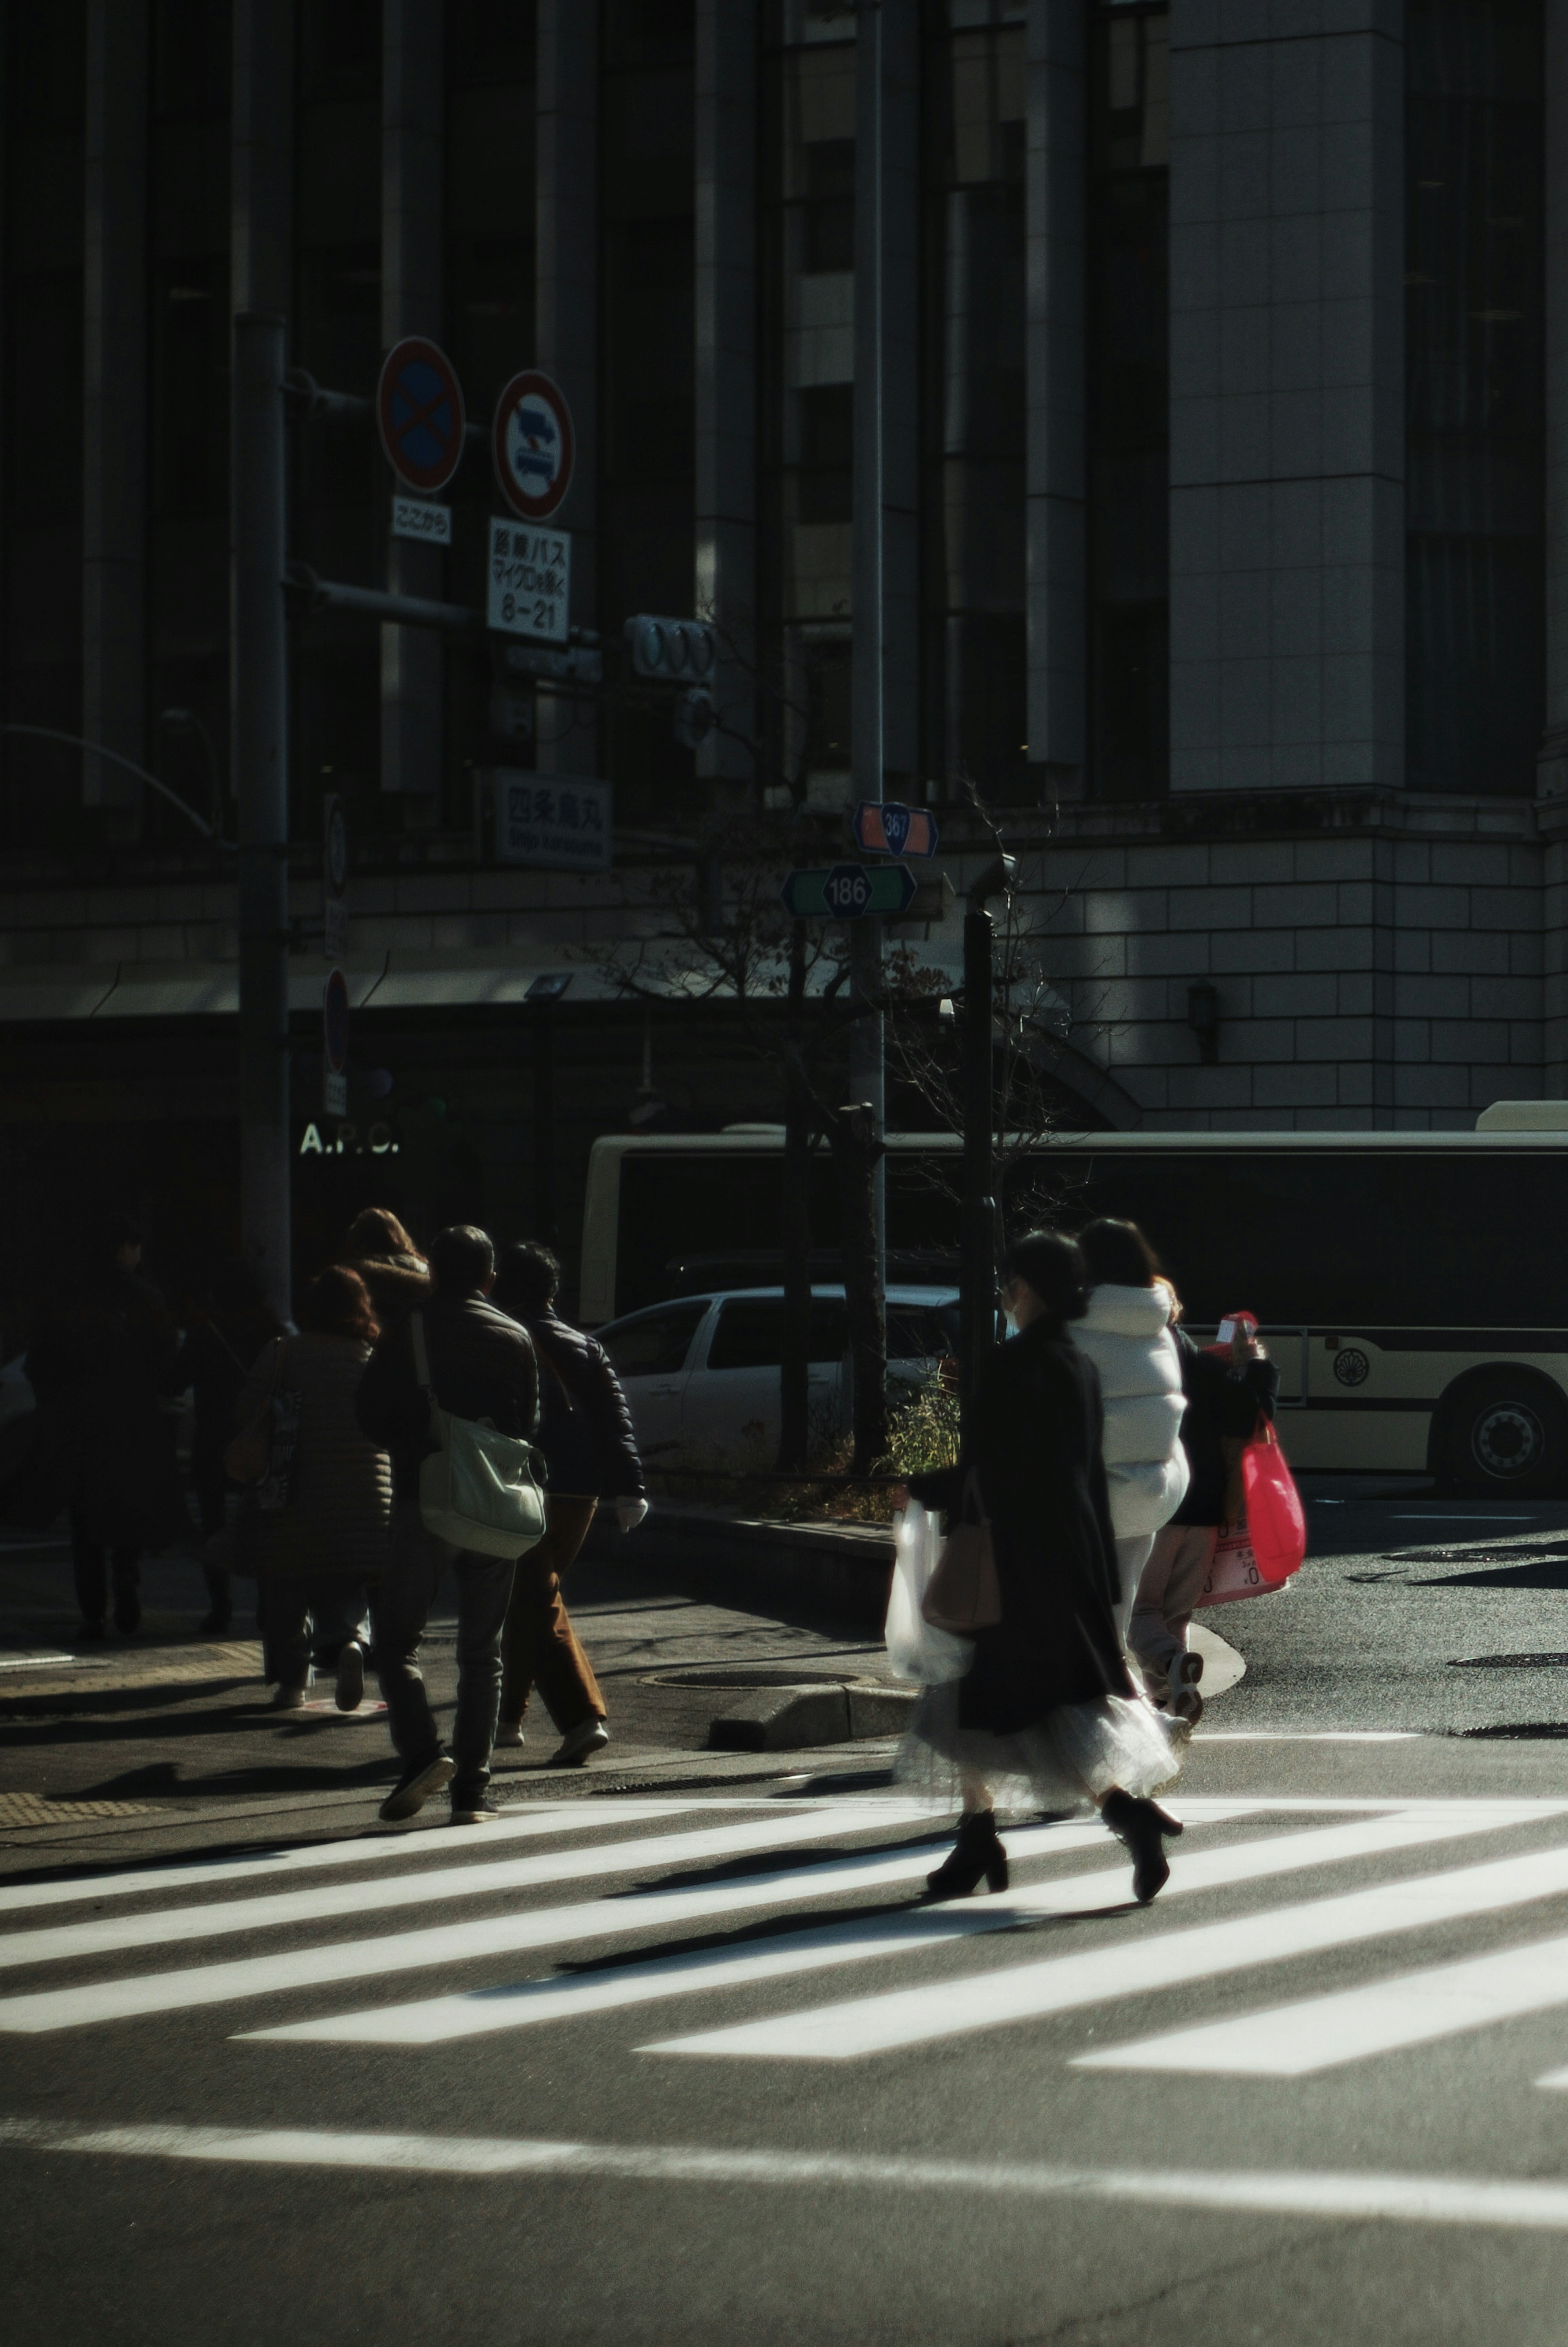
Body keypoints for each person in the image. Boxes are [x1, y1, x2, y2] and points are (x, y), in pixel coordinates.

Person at [902, 1230, 1183, 1906]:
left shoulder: (1011, 1363)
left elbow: (989, 1471)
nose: (1006, 1298)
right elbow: (1080, 1473)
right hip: (1070, 1559)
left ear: (1025, 1288)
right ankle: (1096, 1819)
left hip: (1012, 1564)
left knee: (973, 1702)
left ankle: (988, 1835)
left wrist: (923, 1488)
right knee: (1049, 1710)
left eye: (1009, 1286)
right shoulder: (1076, 1362)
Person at [356, 1223, 539, 1824]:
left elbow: (370, 1412)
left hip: (425, 1496)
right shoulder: (515, 1335)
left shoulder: (409, 1328)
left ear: (432, 1271)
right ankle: (473, 1790)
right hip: (493, 1504)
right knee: (482, 1651)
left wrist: (414, 1441)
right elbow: (527, 1424)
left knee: (396, 1639)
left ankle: (421, 1755)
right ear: (490, 1277)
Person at [491, 1240, 647, 1766]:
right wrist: (632, 1489)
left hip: (522, 1482)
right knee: (530, 1598)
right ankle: (508, 1719)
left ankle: (583, 1718)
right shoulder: (586, 1345)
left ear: (499, 1283)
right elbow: (614, 1420)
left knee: (537, 1597)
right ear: (553, 1291)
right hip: (580, 1490)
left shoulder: (499, 1336)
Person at [232, 1265, 389, 1710]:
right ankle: (351, 1645)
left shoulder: (283, 1352)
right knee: (348, 1581)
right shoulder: (372, 1356)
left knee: (286, 1585)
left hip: (290, 1490)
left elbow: (246, 1411)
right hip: (366, 1496)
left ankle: (292, 1683)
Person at [25, 1212, 183, 1639]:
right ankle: (127, 1578)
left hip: (80, 1424)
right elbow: (167, 1368)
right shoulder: (148, 1299)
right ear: (123, 1249)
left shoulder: (67, 1299)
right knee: (128, 1509)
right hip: (133, 1422)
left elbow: (39, 1363)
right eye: (136, 1247)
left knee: (85, 1521)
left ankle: (92, 1611)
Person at [1128, 1307, 1281, 1721]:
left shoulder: (1133, 1358)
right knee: (1175, 1613)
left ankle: (1173, 1669)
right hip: (1208, 1503)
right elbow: (1251, 1411)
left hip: (1158, 1503)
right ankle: (1172, 1702)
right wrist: (1255, 1365)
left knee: (1137, 1614)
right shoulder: (1199, 1362)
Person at [1073, 1219, 1189, 1652]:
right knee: (1114, 1627)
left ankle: (1101, 1710)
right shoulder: (1159, 1328)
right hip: (1150, 1494)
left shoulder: (1073, 1328)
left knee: (1077, 1632)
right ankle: (1125, 1702)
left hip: (1087, 1499)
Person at [171, 1258, 285, 1634]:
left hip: (215, 1443)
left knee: (214, 1524)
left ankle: (220, 1606)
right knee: (268, 1524)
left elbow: (172, 1382)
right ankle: (270, 1604)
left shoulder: (206, 1334)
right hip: (264, 1442)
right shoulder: (273, 1331)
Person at [339, 1208, 430, 1329]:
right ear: (398, 1233)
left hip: (367, 1341)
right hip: (415, 1340)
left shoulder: (351, 1274)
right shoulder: (422, 1268)